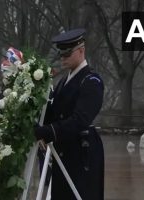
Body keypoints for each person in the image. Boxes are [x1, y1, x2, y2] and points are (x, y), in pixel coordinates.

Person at [34, 28, 105, 200]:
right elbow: (54, 112)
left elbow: (80, 119)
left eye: (67, 54)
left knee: (80, 195)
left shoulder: (91, 81)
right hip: (64, 151)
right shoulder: (63, 82)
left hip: (82, 152)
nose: (62, 58)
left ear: (81, 50)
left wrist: (47, 131)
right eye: (61, 54)